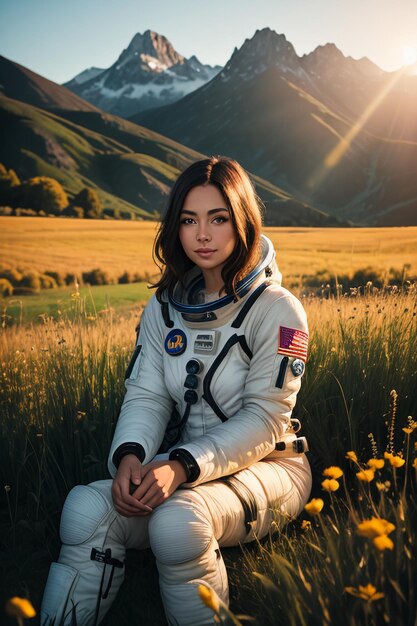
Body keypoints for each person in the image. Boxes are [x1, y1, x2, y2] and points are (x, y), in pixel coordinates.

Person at [41, 156, 312, 626]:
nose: (202, 235)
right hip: (180, 472)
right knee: (85, 509)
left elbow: (266, 419)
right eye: (189, 220)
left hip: (272, 468)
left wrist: (181, 466)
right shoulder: (164, 307)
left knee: (177, 522)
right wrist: (129, 457)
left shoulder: (278, 310)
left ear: (243, 220)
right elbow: (146, 394)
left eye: (218, 218)